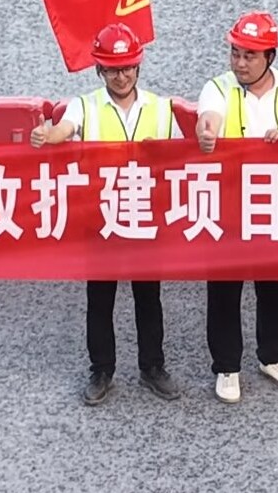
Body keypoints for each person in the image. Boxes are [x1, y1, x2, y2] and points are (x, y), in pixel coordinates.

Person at [32, 22, 183, 405]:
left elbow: (181, 158)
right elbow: (63, 130)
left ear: (138, 66)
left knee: (148, 297)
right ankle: (101, 370)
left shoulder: (160, 107)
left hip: (146, 217)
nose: (121, 75)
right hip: (102, 219)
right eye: (113, 69)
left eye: (128, 67)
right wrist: (45, 136)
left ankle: (152, 366)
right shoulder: (85, 106)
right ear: (100, 70)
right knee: (100, 299)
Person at [195, 13, 278, 402]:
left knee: (273, 287)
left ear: (269, 56)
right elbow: (209, 119)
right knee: (224, 288)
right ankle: (227, 367)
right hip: (229, 203)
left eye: (249, 56)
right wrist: (207, 132)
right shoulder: (217, 87)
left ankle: (272, 356)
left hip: (275, 203)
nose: (239, 63)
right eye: (235, 53)